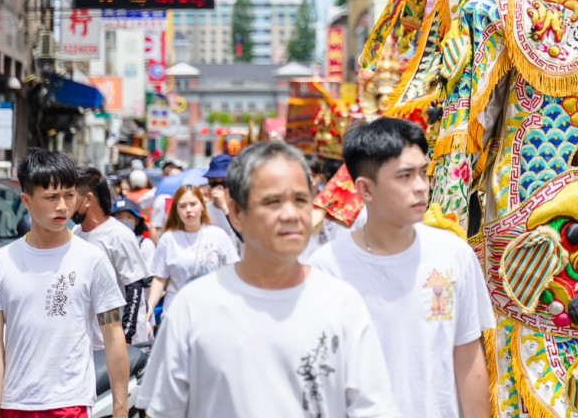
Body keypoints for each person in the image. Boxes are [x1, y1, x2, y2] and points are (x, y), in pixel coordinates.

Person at [138, 141, 397, 416]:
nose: (290, 214)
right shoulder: (193, 307)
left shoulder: (343, 305)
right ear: (236, 213)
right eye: (272, 201)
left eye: (300, 200)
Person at [310, 118, 495, 418]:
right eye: (405, 176)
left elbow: (469, 360)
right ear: (365, 189)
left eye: (423, 172)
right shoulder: (327, 268)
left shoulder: (454, 255)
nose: (421, 187)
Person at [0, 149, 129, 418]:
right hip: (14, 404)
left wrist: (120, 409)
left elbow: (114, 335)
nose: (62, 206)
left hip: (70, 403)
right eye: (51, 197)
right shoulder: (0, 264)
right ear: (26, 200)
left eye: (69, 195)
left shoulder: (93, 260)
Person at [73, 166, 151, 346]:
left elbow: (134, 288)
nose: (63, 203)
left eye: (70, 196)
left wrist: (125, 339)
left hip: (120, 345)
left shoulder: (119, 235)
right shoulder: (76, 233)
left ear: (88, 200)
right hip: (90, 343)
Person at [146, 184, 238, 319]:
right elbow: (160, 278)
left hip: (213, 310)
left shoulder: (218, 235)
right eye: (182, 206)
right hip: (177, 311)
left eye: (193, 204)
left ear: (202, 206)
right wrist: (150, 309)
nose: (188, 210)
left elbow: (233, 272)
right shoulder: (168, 239)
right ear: (176, 210)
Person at [203, 154, 243, 254]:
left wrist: (225, 208)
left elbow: (245, 239)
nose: (218, 188)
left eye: (224, 183)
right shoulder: (203, 211)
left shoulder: (243, 209)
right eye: (213, 184)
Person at [111, 197, 156, 270]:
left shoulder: (145, 244)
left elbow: (151, 272)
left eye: (129, 217)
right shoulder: (108, 243)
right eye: (119, 217)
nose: (124, 221)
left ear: (137, 221)